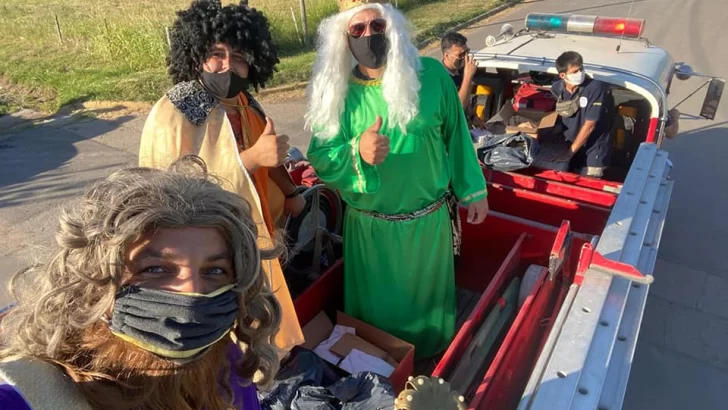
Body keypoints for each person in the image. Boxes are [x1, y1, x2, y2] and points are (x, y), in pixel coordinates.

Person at [0, 156, 281, 410]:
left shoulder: (225, 359)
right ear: (92, 283)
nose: (191, 291)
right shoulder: (30, 397)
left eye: (215, 270)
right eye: (155, 269)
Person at [304, 0, 489, 359]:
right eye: (358, 29)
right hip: (372, 233)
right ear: (344, 38)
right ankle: (380, 364)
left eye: (378, 26)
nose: (369, 35)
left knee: (427, 311)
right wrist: (357, 150)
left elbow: (457, 135)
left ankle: (431, 360)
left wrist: (474, 189)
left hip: (428, 226)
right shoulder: (337, 92)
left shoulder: (432, 76)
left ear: (394, 29)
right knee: (379, 319)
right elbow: (321, 156)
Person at [138, 0, 304, 353]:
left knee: (260, 311)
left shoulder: (246, 102)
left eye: (239, 56)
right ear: (196, 55)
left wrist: (290, 193)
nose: (228, 65)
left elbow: (271, 157)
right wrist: (251, 160)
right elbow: (173, 193)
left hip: (256, 234)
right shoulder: (176, 110)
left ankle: (265, 360)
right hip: (204, 251)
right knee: (222, 327)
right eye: (217, 54)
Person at [550, 51, 614, 178]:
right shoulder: (557, 89)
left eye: (581, 69)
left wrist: (569, 153)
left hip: (593, 147)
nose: (580, 73)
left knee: (588, 179)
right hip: (571, 144)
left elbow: (590, 125)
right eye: (575, 72)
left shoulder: (595, 88)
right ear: (562, 75)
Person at [440, 31, 477, 108]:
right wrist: (467, 77)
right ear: (446, 55)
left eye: (466, 52)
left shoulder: (462, 68)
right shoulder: (442, 79)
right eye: (460, 55)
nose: (465, 57)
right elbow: (458, 108)